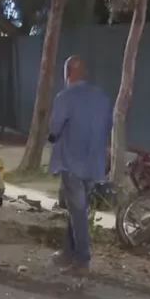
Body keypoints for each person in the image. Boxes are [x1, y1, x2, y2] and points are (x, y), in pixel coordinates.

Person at [47, 55, 112, 274]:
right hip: (94, 164)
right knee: (78, 210)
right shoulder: (101, 97)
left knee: (77, 211)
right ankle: (68, 252)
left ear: (66, 73)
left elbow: (55, 128)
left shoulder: (64, 97)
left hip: (72, 162)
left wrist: (52, 137)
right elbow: (107, 127)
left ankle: (82, 259)